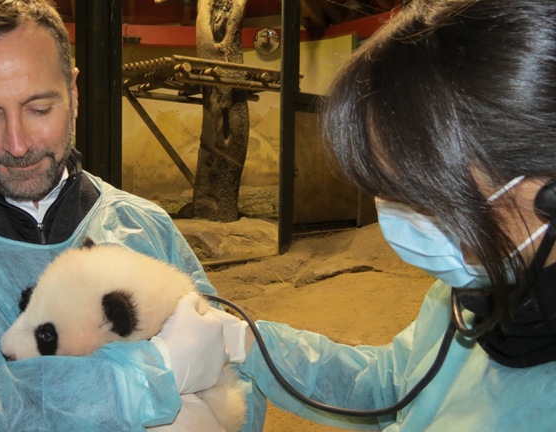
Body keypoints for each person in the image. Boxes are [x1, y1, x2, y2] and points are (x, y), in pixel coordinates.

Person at [0, 0, 264, 430]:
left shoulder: (142, 226)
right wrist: (133, 381)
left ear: (74, 92)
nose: (18, 143)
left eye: (39, 108)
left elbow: (236, 380)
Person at [166, 0, 556, 430]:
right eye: (385, 191)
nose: (400, 221)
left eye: (421, 194)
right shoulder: (477, 288)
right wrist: (243, 343)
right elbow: (389, 387)